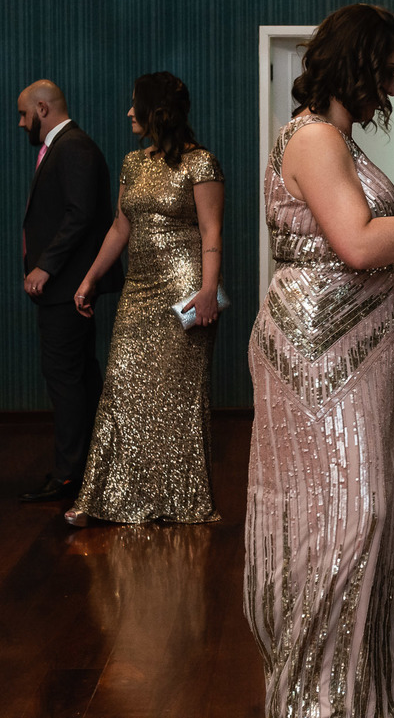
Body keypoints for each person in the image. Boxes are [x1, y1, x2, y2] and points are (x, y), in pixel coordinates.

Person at [245, 3, 394, 718]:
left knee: (370, 509)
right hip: (319, 352)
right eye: (385, 71)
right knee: (349, 515)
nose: (390, 87)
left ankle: (363, 682)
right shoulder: (314, 137)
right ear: (354, 64)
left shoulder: (339, 141)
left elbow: (364, 233)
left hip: (361, 351)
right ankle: (318, 694)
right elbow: (355, 244)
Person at [67, 72, 225, 527]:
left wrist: (208, 292)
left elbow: (211, 231)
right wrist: (89, 279)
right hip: (138, 290)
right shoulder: (133, 163)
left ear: (156, 110)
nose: (128, 112)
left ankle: (182, 500)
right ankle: (103, 497)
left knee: (178, 398)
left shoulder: (201, 163)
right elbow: (121, 227)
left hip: (185, 291)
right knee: (121, 387)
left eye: (134, 103)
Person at [17, 80, 123, 503]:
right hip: (67, 286)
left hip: (67, 286)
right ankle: (89, 470)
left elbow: (80, 216)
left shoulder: (74, 147)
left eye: (24, 114)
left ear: (42, 109)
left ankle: (69, 475)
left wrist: (45, 265)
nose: (21, 123)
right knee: (78, 376)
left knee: (66, 379)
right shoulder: (65, 147)